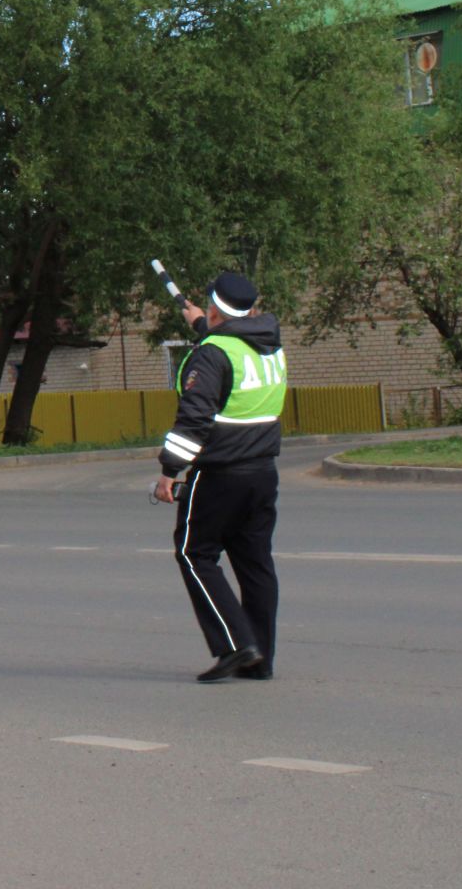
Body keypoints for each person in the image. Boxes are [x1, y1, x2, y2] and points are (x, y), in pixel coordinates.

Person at [152, 270, 285, 682]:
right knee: (255, 564)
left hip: (221, 474)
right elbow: (230, 348)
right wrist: (202, 326)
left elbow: (194, 420)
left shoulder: (212, 353)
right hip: (263, 472)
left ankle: (235, 644)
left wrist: (170, 472)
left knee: (195, 554)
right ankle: (260, 658)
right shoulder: (269, 346)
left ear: (214, 311)